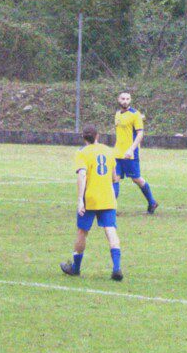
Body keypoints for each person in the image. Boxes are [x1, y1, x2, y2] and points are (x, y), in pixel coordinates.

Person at [61, 125, 124, 280]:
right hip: (107, 198)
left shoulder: (82, 153)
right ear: (98, 136)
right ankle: (117, 268)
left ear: (84, 138)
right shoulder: (108, 151)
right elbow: (115, 177)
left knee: (82, 231)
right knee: (111, 230)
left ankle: (75, 268)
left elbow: (82, 175)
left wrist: (80, 200)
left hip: (90, 198)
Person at [113, 92, 158, 214]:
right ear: (118, 100)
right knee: (115, 178)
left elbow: (140, 134)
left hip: (130, 154)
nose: (125, 101)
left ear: (130, 100)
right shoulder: (117, 114)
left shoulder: (135, 114)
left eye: (127, 99)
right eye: (123, 99)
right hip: (117, 153)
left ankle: (152, 202)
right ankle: (111, 209)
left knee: (136, 179)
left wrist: (131, 149)